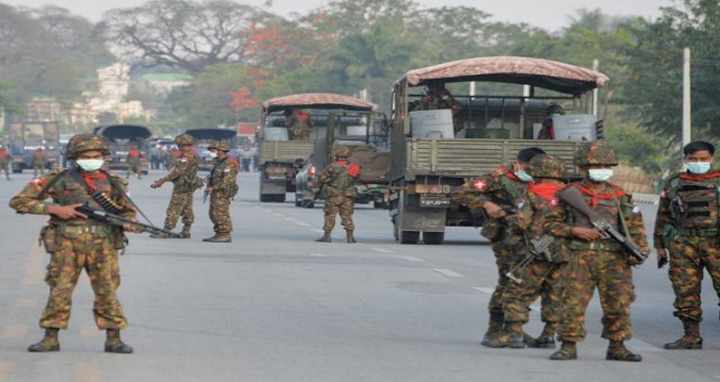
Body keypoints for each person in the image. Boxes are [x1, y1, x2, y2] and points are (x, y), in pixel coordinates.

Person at [8, 133, 138, 354]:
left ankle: (113, 338)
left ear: (104, 156)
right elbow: (19, 202)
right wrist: (55, 209)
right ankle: (50, 337)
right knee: (60, 290)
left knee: (107, 290)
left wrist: (129, 223)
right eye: (86, 156)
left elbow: (127, 212)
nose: (92, 159)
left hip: (103, 243)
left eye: (96, 155)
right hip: (66, 243)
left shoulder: (114, 181)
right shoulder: (57, 178)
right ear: (75, 157)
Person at [544, 141, 648, 362]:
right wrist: (574, 230)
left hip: (615, 259)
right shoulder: (568, 194)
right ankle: (568, 345)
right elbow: (547, 225)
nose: (602, 169)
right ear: (582, 168)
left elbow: (636, 227)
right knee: (572, 302)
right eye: (596, 165)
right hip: (578, 257)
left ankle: (617, 346)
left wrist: (638, 251)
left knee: (619, 303)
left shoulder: (621, 196)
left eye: (606, 165)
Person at [450, 147, 545, 346]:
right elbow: (460, 193)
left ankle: (514, 328)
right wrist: (487, 204)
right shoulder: (498, 177)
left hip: (533, 236)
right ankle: (495, 330)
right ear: (517, 163)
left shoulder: (541, 178)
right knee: (509, 279)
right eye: (528, 168)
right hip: (505, 236)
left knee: (527, 282)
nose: (532, 171)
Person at [485, 154, 570, 349]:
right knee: (554, 292)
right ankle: (548, 335)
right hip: (564, 253)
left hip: (535, 252)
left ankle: (513, 335)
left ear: (536, 171)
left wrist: (510, 221)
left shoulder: (531, 193)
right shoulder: (571, 193)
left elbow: (522, 223)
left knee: (516, 293)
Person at [655, 140, 720, 350]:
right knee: (685, 290)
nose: (698, 162)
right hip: (683, 244)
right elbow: (663, 215)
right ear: (685, 159)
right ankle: (691, 336)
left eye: (703, 159)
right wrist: (660, 247)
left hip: (715, 242)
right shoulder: (674, 183)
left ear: (711, 159)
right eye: (693, 159)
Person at [150, 134, 202, 239]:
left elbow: (178, 171)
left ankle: (166, 231)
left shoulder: (185, 156)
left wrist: (162, 180)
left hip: (182, 186)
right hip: (189, 185)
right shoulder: (194, 154)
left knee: (174, 208)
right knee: (187, 208)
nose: (179, 148)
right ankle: (186, 231)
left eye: (179, 145)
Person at [315, 146, 361, 244]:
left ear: (337, 155)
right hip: (347, 196)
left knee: (330, 215)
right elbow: (357, 178)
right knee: (347, 216)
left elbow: (321, 180)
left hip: (333, 195)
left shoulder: (331, 167)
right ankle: (350, 237)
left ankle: (327, 236)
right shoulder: (354, 166)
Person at [203, 141, 239, 243]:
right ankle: (219, 233)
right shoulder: (218, 162)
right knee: (213, 213)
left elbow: (228, 180)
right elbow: (214, 175)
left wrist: (214, 188)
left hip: (222, 192)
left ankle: (225, 234)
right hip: (215, 191)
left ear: (221, 151)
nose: (211, 153)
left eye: (213, 151)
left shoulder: (229, 163)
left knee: (221, 213)